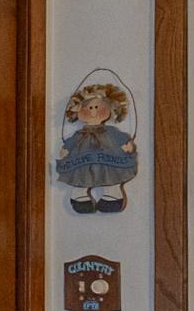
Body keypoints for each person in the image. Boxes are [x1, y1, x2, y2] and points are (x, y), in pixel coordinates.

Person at [56, 81, 136, 213]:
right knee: (81, 176)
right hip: (83, 161)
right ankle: (80, 198)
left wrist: (126, 145)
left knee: (110, 176)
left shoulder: (110, 131)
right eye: (89, 108)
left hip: (108, 160)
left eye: (97, 107)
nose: (93, 111)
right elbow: (72, 142)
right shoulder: (80, 133)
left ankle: (111, 197)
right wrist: (66, 149)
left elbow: (119, 137)